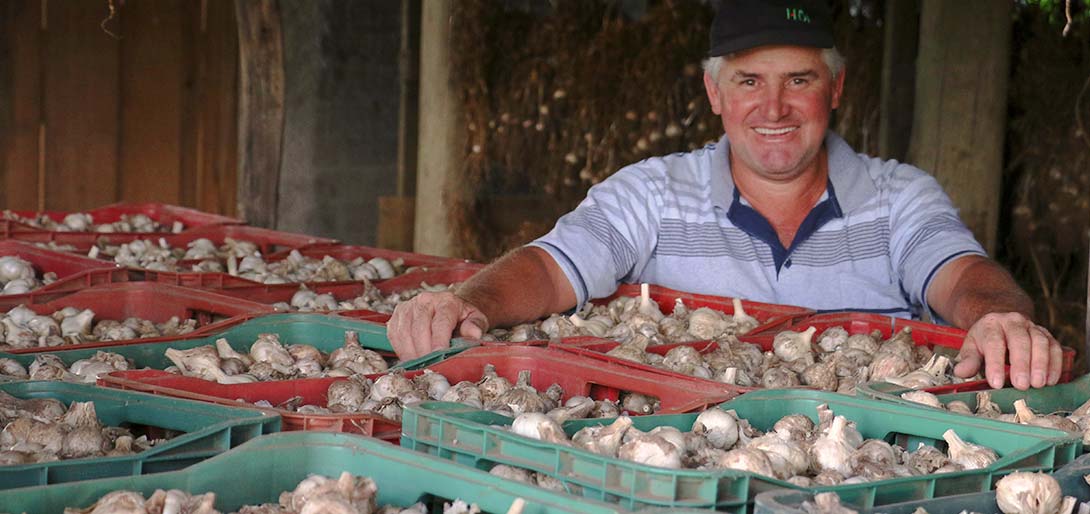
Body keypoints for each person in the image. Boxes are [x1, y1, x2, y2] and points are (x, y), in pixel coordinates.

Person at [389, 0, 1062, 391]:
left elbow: (964, 274)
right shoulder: (653, 192)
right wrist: (470, 301)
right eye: (748, 82)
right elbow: (552, 264)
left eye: (799, 79)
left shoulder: (900, 198)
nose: (774, 107)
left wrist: (998, 318)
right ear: (714, 92)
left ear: (836, 88)